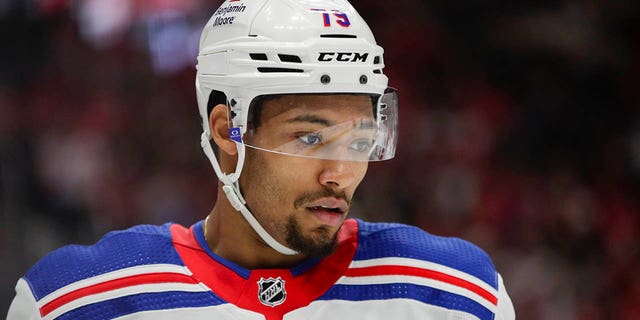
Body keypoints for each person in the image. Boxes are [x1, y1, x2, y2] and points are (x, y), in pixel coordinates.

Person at [7, 0, 515, 319]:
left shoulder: (456, 295)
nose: (339, 173)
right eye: (311, 139)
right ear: (227, 130)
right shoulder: (73, 301)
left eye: (359, 142)